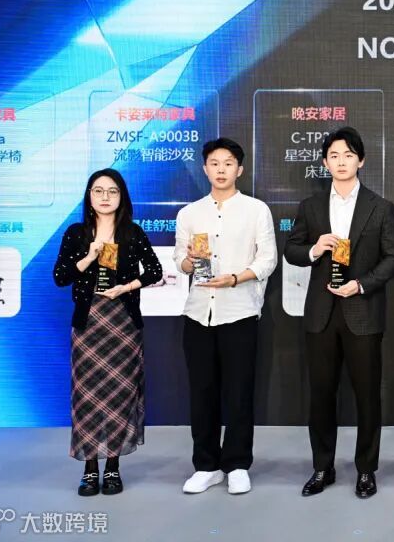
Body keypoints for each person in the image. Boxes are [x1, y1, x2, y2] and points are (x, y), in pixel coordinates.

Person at [284, 127, 394, 499]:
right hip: (321, 313)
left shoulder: (380, 207)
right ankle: (323, 467)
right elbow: (292, 250)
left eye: (348, 155)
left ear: (361, 160)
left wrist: (362, 284)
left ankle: (366, 469)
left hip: (362, 309)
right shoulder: (311, 206)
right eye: (334, 156)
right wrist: (314, 249)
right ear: (325, 162)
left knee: (367, 396)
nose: (341, 162)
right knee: (321, 394)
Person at [174, 138, 277, 495]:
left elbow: (268, 260)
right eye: (214, 163)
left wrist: (235, 278)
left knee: (239, 392)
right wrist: (189, 261)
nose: (221, 169)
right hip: (198, 313)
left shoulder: (256, 210)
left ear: (240, 169)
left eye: (228, 163)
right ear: (205, 169)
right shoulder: (189, 214)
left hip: (239, 312)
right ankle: (206, 465)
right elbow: (180, 261)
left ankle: (236, 464)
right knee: (202, 393)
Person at [53, 168, 162, 496]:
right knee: (87, 397)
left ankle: (112, 467)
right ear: (89, 197)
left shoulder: (133, 233)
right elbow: (60, 277)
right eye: (98, 191)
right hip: (88, 325)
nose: (105, 197)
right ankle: (89, 468)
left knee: (119, 394)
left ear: (121, 197)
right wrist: (90, 256)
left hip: (122, 324)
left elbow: (154, 271)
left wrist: (125, 287)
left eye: (112, 191)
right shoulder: (76, 233)